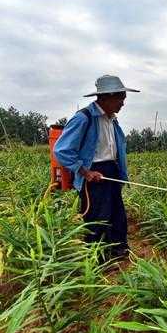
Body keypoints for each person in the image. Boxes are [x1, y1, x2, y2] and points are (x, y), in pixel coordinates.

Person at [54, 74, 139, 260]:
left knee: (117, 214)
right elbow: (61, 150)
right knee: (97, 218)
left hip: (111, 171)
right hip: (93, 175)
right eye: (120, 98)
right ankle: (97, 259)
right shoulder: (84, 118)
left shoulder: (112, 120)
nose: (123, 103)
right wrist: (85, 172)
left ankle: (118, 250)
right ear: (106, 97)